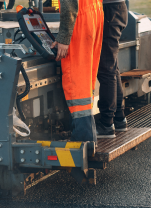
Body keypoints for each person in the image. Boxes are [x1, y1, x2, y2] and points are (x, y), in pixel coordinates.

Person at [52, 0, 104, 143]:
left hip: (80, 19)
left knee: (77, 82)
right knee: (87, 79)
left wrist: (63, 37)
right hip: (95, 12)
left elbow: (69, 3)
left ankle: (84, 139)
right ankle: (88, 135)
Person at [95, 0, 128, 138]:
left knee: (106, 70)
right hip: (116, 8)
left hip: (109, 10)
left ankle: (107, 124)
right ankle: (119, 119)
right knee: (112, 68)